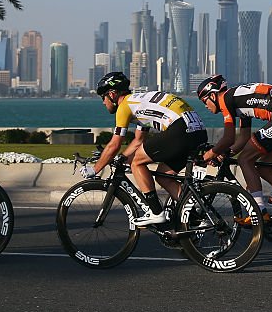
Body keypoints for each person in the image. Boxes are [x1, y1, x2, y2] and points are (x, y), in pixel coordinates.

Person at [86, 71, 208, 226]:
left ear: (112, 94)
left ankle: (156, 212)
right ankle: (194, 219)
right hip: (198, 131)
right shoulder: (140, 103)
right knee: (164, 176)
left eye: (103, 97)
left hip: (180, 129)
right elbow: (138, 140)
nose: (103, 102)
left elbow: (114, 144)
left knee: (137, 162)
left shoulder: (125, 106)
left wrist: (94, 169)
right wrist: (123, 157)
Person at [196, 75, 272, 221]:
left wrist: (207, 156)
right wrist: (225, 153)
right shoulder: (237, 100)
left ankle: (259, 211)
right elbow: (242, 139)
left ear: (212, 95)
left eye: (204, 101)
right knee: (263, 168)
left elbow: (228, 138)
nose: (205, 106)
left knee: (245, 159)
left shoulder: (225, 99)